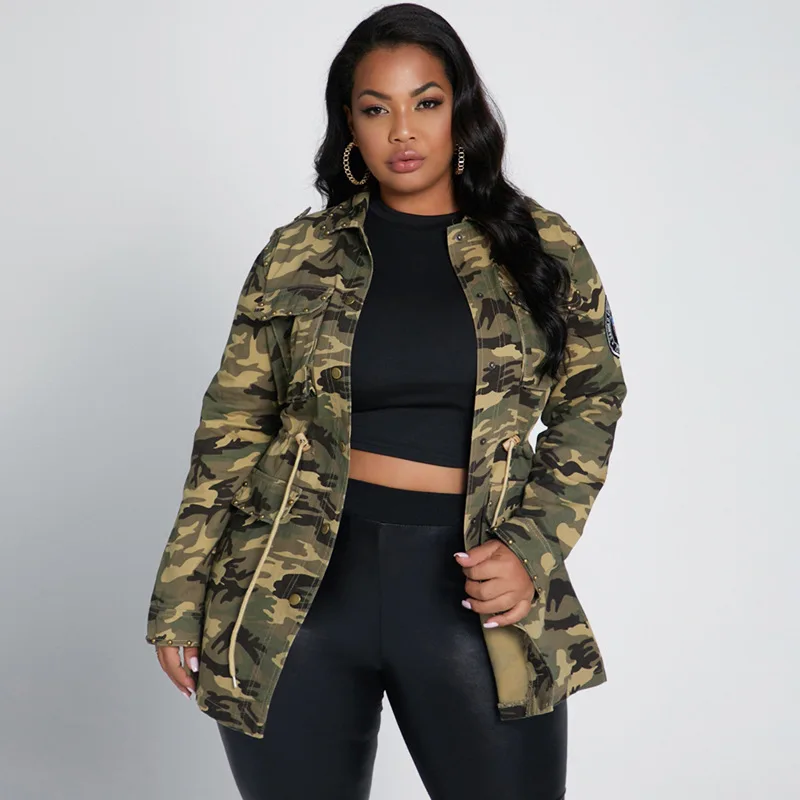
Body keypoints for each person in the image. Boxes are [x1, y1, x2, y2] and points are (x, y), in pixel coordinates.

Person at [145, 3, 627, 798]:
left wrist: (532, 547)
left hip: (473, 590)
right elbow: (232, 426)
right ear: (350, 125)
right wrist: (180, 593)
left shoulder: (542, 248)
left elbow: (594, 399)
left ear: (460, 111)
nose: (403, 131)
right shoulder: (298, 254)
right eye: (376, 109)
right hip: (291, 593)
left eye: (425, 103)